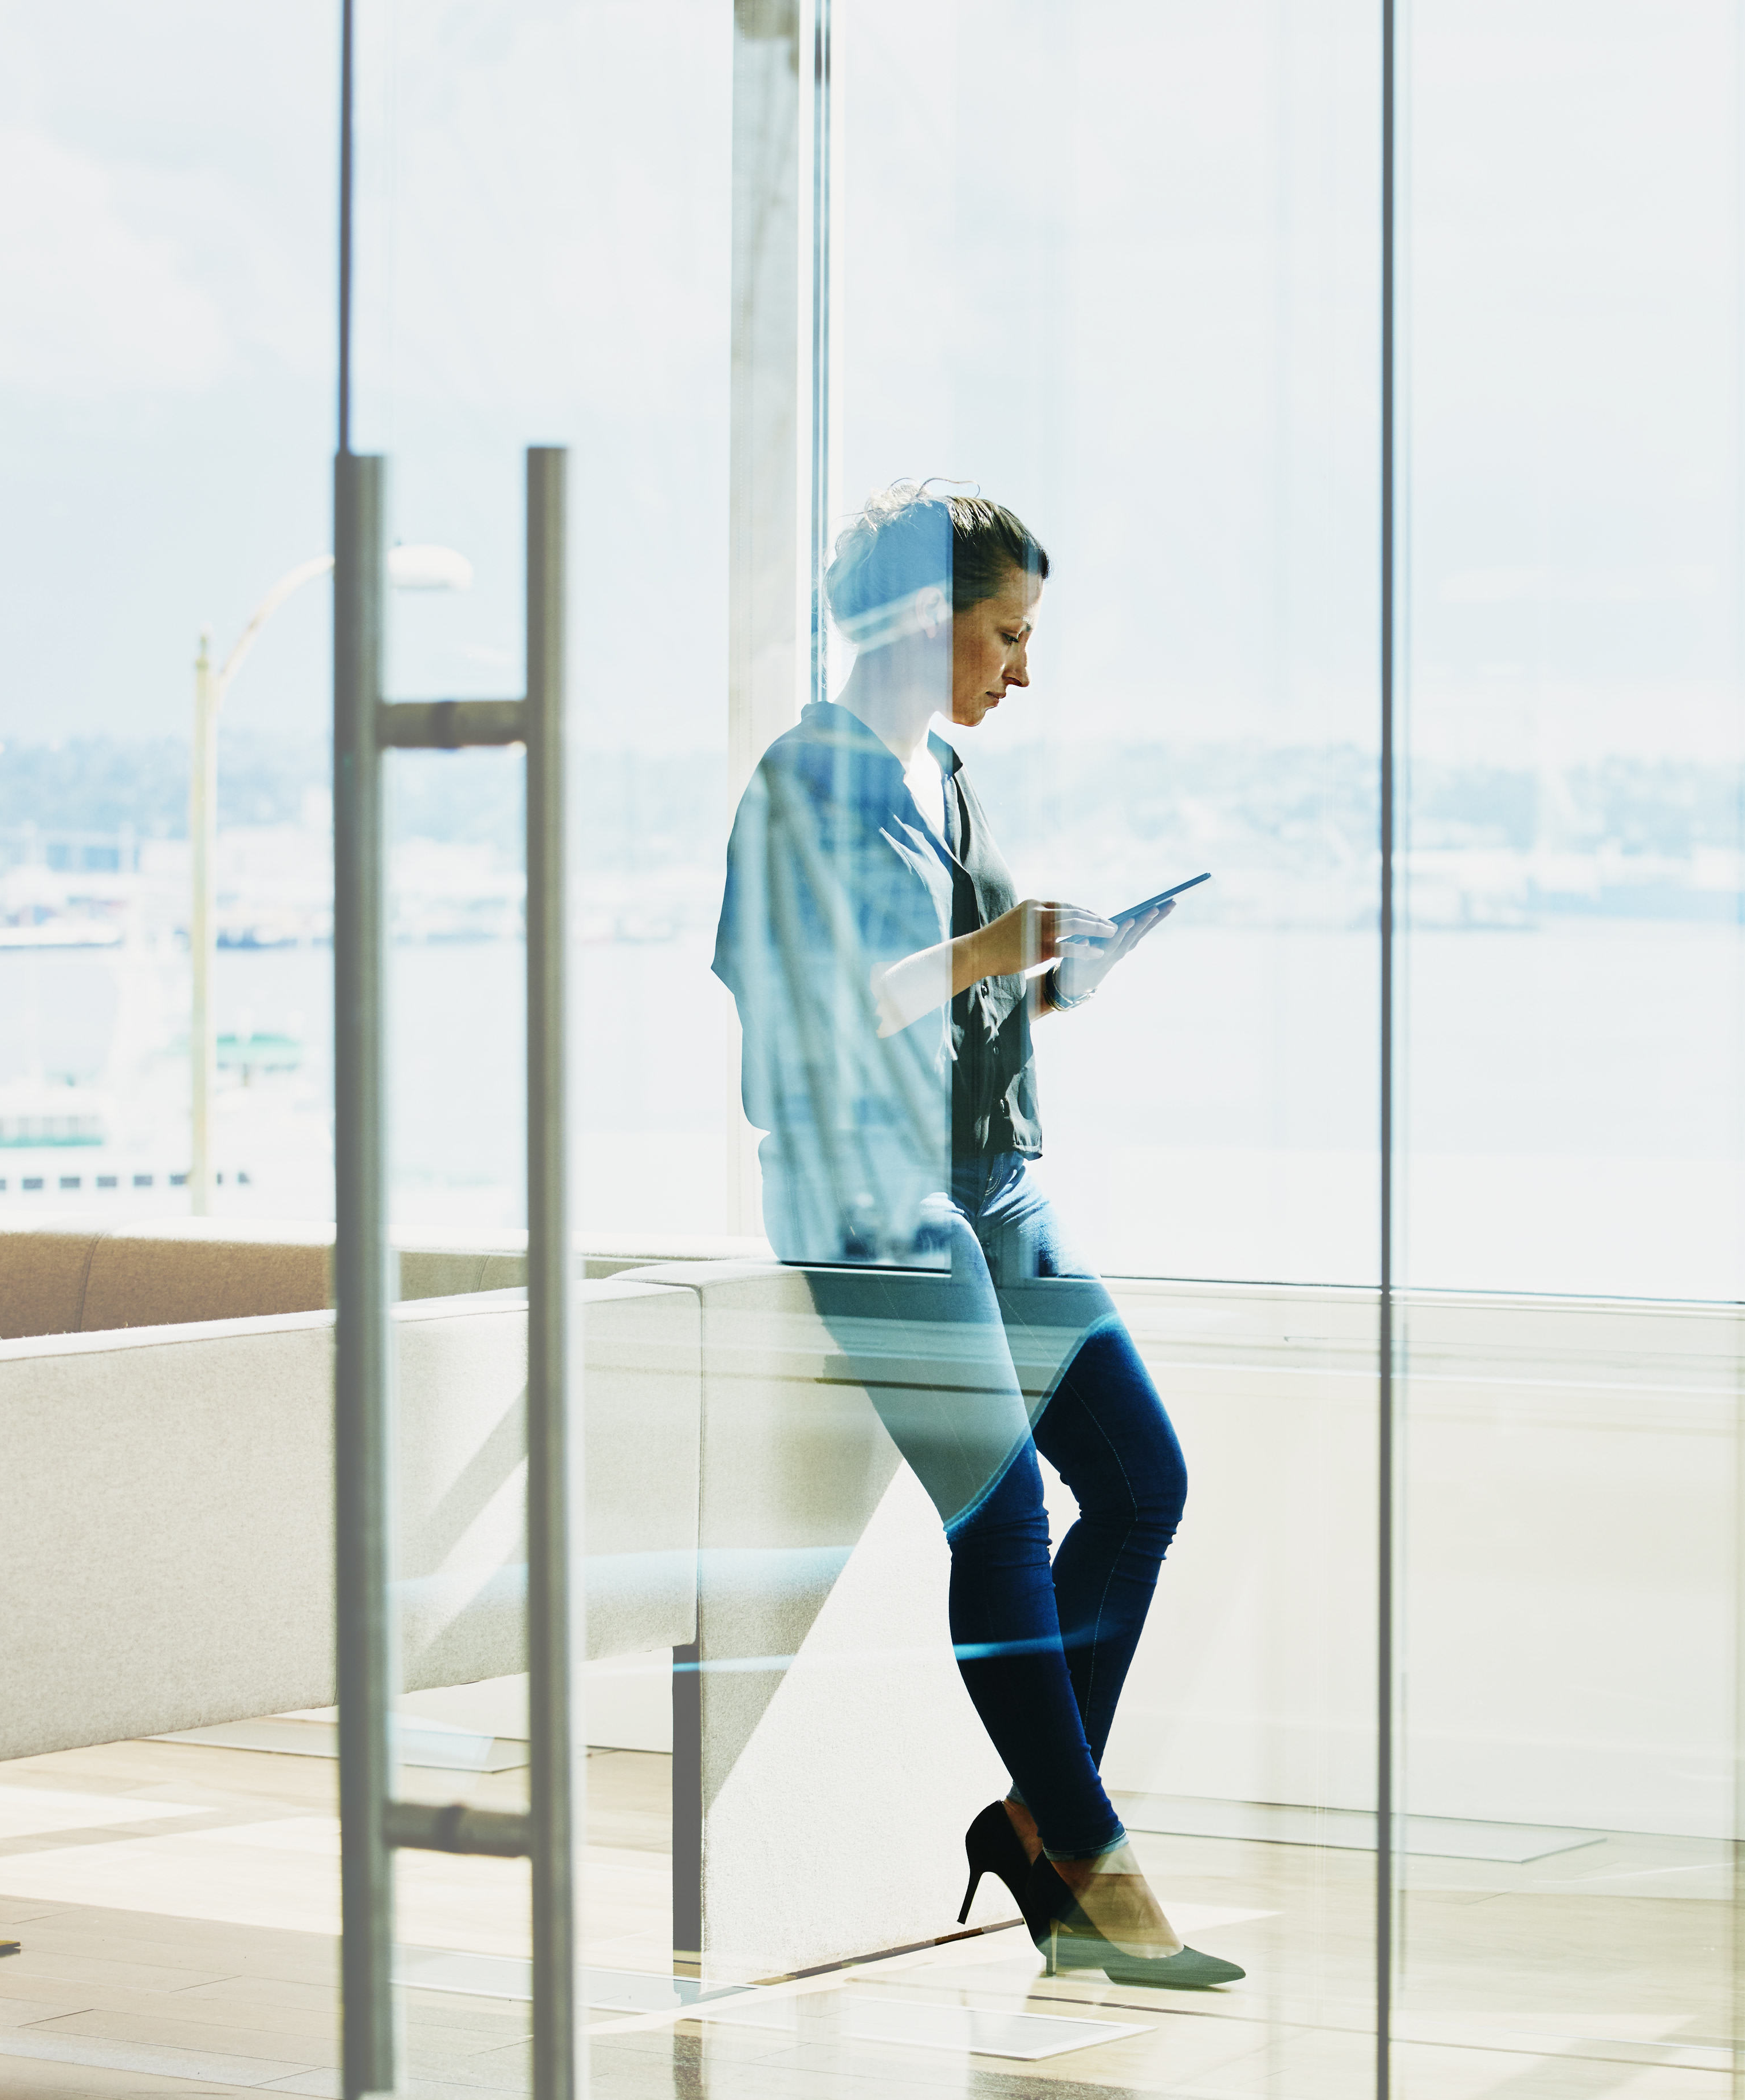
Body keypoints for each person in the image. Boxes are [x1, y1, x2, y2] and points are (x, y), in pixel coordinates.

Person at [711, 480, 1239, 1988]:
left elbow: (957, 997)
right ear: (910, 621)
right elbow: (822, 1011)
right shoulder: (807, 783)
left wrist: (1059, 975)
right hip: (870, 1194)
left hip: (991, 1176)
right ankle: (1091, 1858)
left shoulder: (939, 772)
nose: (1023, 668)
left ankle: (1033, 1816)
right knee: (1001, 1516)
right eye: (1003, 634)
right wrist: (996, 949)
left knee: (1143, 1481)